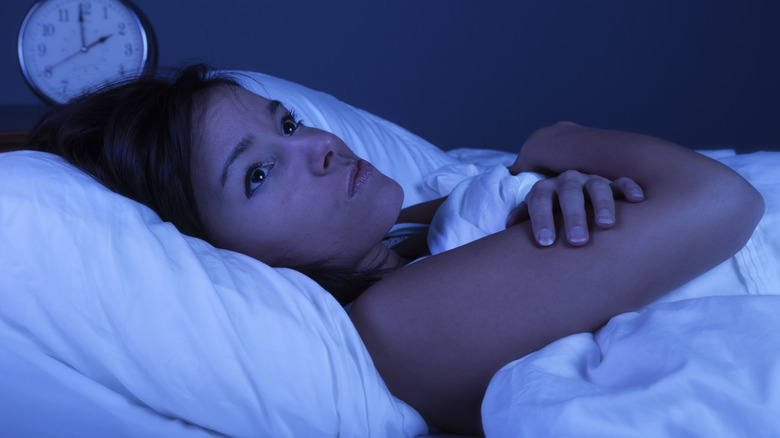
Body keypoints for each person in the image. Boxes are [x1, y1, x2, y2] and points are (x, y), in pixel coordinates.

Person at [27, 64, 764, 436]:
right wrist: (557, 141)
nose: (317, 146)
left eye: (286, 123)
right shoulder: (397, 323)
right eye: (256, 174)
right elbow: (721, 202)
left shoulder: (413, 230)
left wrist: (558, 182)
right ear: (223, 254)